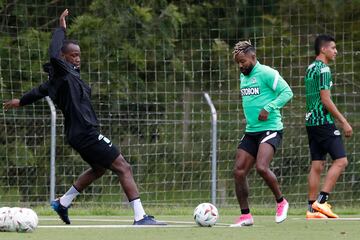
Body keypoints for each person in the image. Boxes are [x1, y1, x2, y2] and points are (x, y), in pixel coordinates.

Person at [3, 9, 165, 226]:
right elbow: (52, 55)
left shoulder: (60, 79)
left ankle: (63, 202)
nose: (78, 59)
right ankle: (140, 217)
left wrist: (20, 101)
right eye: (73, 55)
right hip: (86, 133)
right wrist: (61, 29)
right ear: (63, 57)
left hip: (78, 134)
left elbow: (38, 92)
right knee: (124, 167)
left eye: (79, 55)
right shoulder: (62, 72)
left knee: (99, 169)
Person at [231, 40, 293, 227]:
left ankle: (281, 202)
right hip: (252, 131)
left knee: (261, 167)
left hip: (271, 128)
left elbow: (287, 92)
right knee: (239, 171)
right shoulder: (244, 76)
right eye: (238, 64)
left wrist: (269, 107)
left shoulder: (267, 73)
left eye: (243, 61)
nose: (241, 66)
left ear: (253, 56)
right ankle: (245, 216)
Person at [305, 34, 352, 219]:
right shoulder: (324, 69)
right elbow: (325, 99)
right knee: (341, 161)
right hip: (323, 121)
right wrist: (344, 121)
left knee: (317, 164)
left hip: (310, 122)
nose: (336, 51)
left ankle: (311, 210)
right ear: (323, 49)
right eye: (333, 48)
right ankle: (322, 202)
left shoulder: (310, 68)